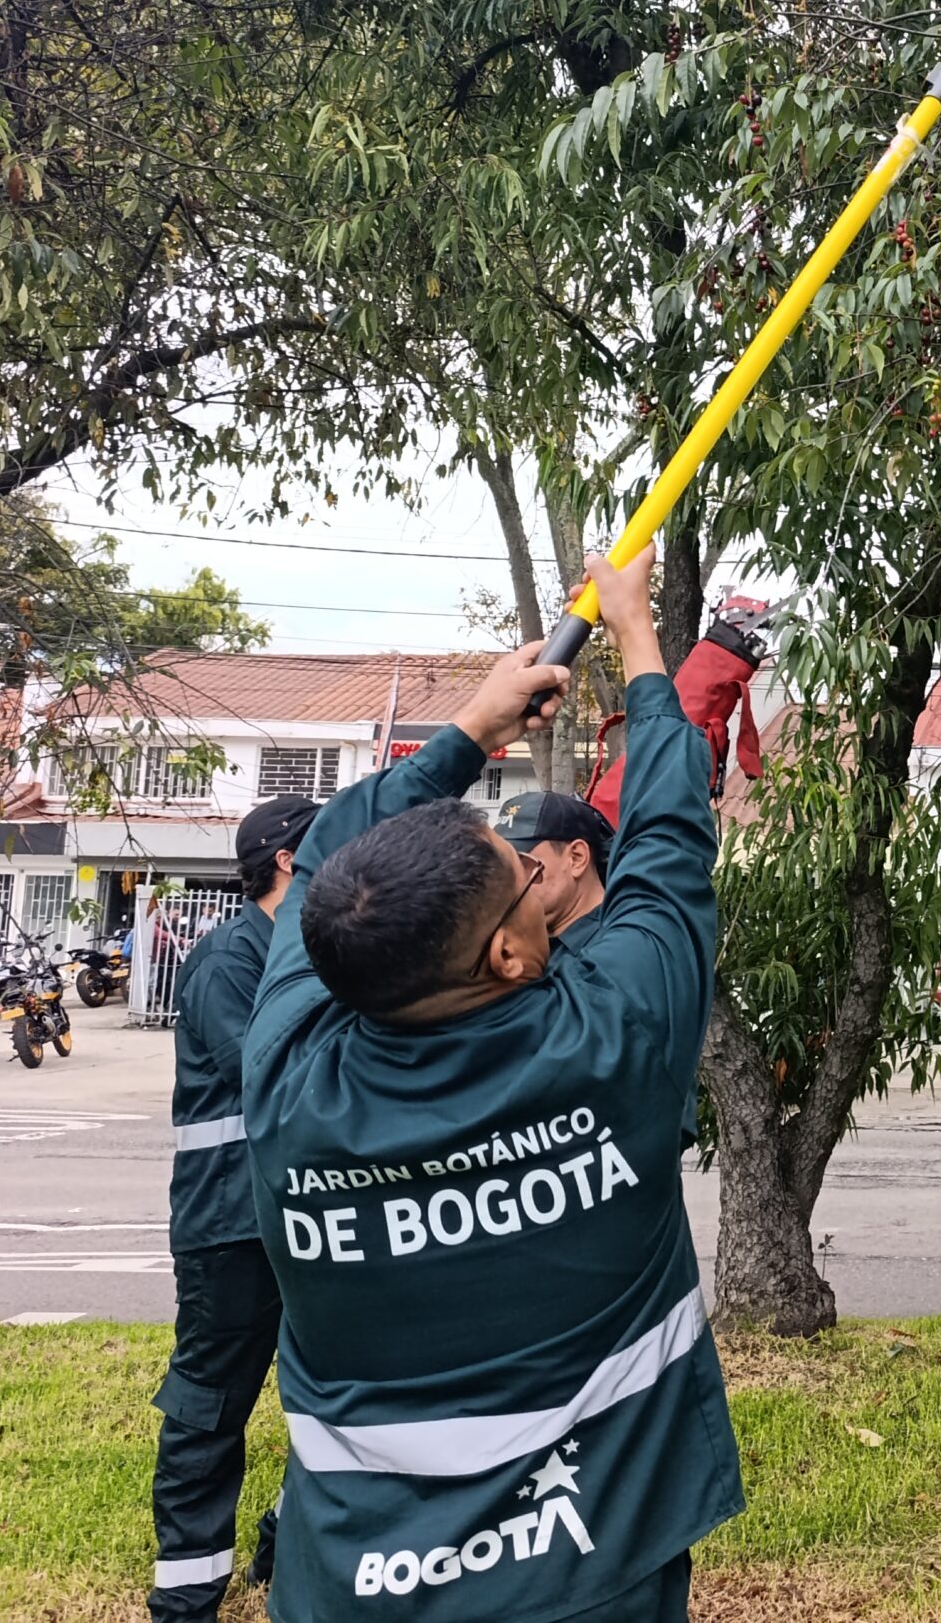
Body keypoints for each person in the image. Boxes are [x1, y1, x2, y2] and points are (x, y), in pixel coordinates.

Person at [243, 549, 741, 1621]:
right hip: (594, 1563)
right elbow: (667, 840)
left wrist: (470, 726)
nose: (536, 875)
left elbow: (336, 846)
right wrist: (641, 637)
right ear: (511, 957)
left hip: (357, 1579)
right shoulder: (619, 1040)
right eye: (522, 880)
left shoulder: (284, 1072)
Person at [149, 794, 320, 1618]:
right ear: (289, 860)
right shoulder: (231, 957)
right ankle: (186, 1595)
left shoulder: (314, 950)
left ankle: (286, 1552)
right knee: (211, 1405)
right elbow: (270, 1072)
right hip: (232, 1225)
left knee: (330, 1396)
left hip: (308, 1216)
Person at [496, 790, 617, 958]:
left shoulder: (617, 949)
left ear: (576, 858)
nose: (506, 879)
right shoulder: (516, 943)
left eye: (521, 863)